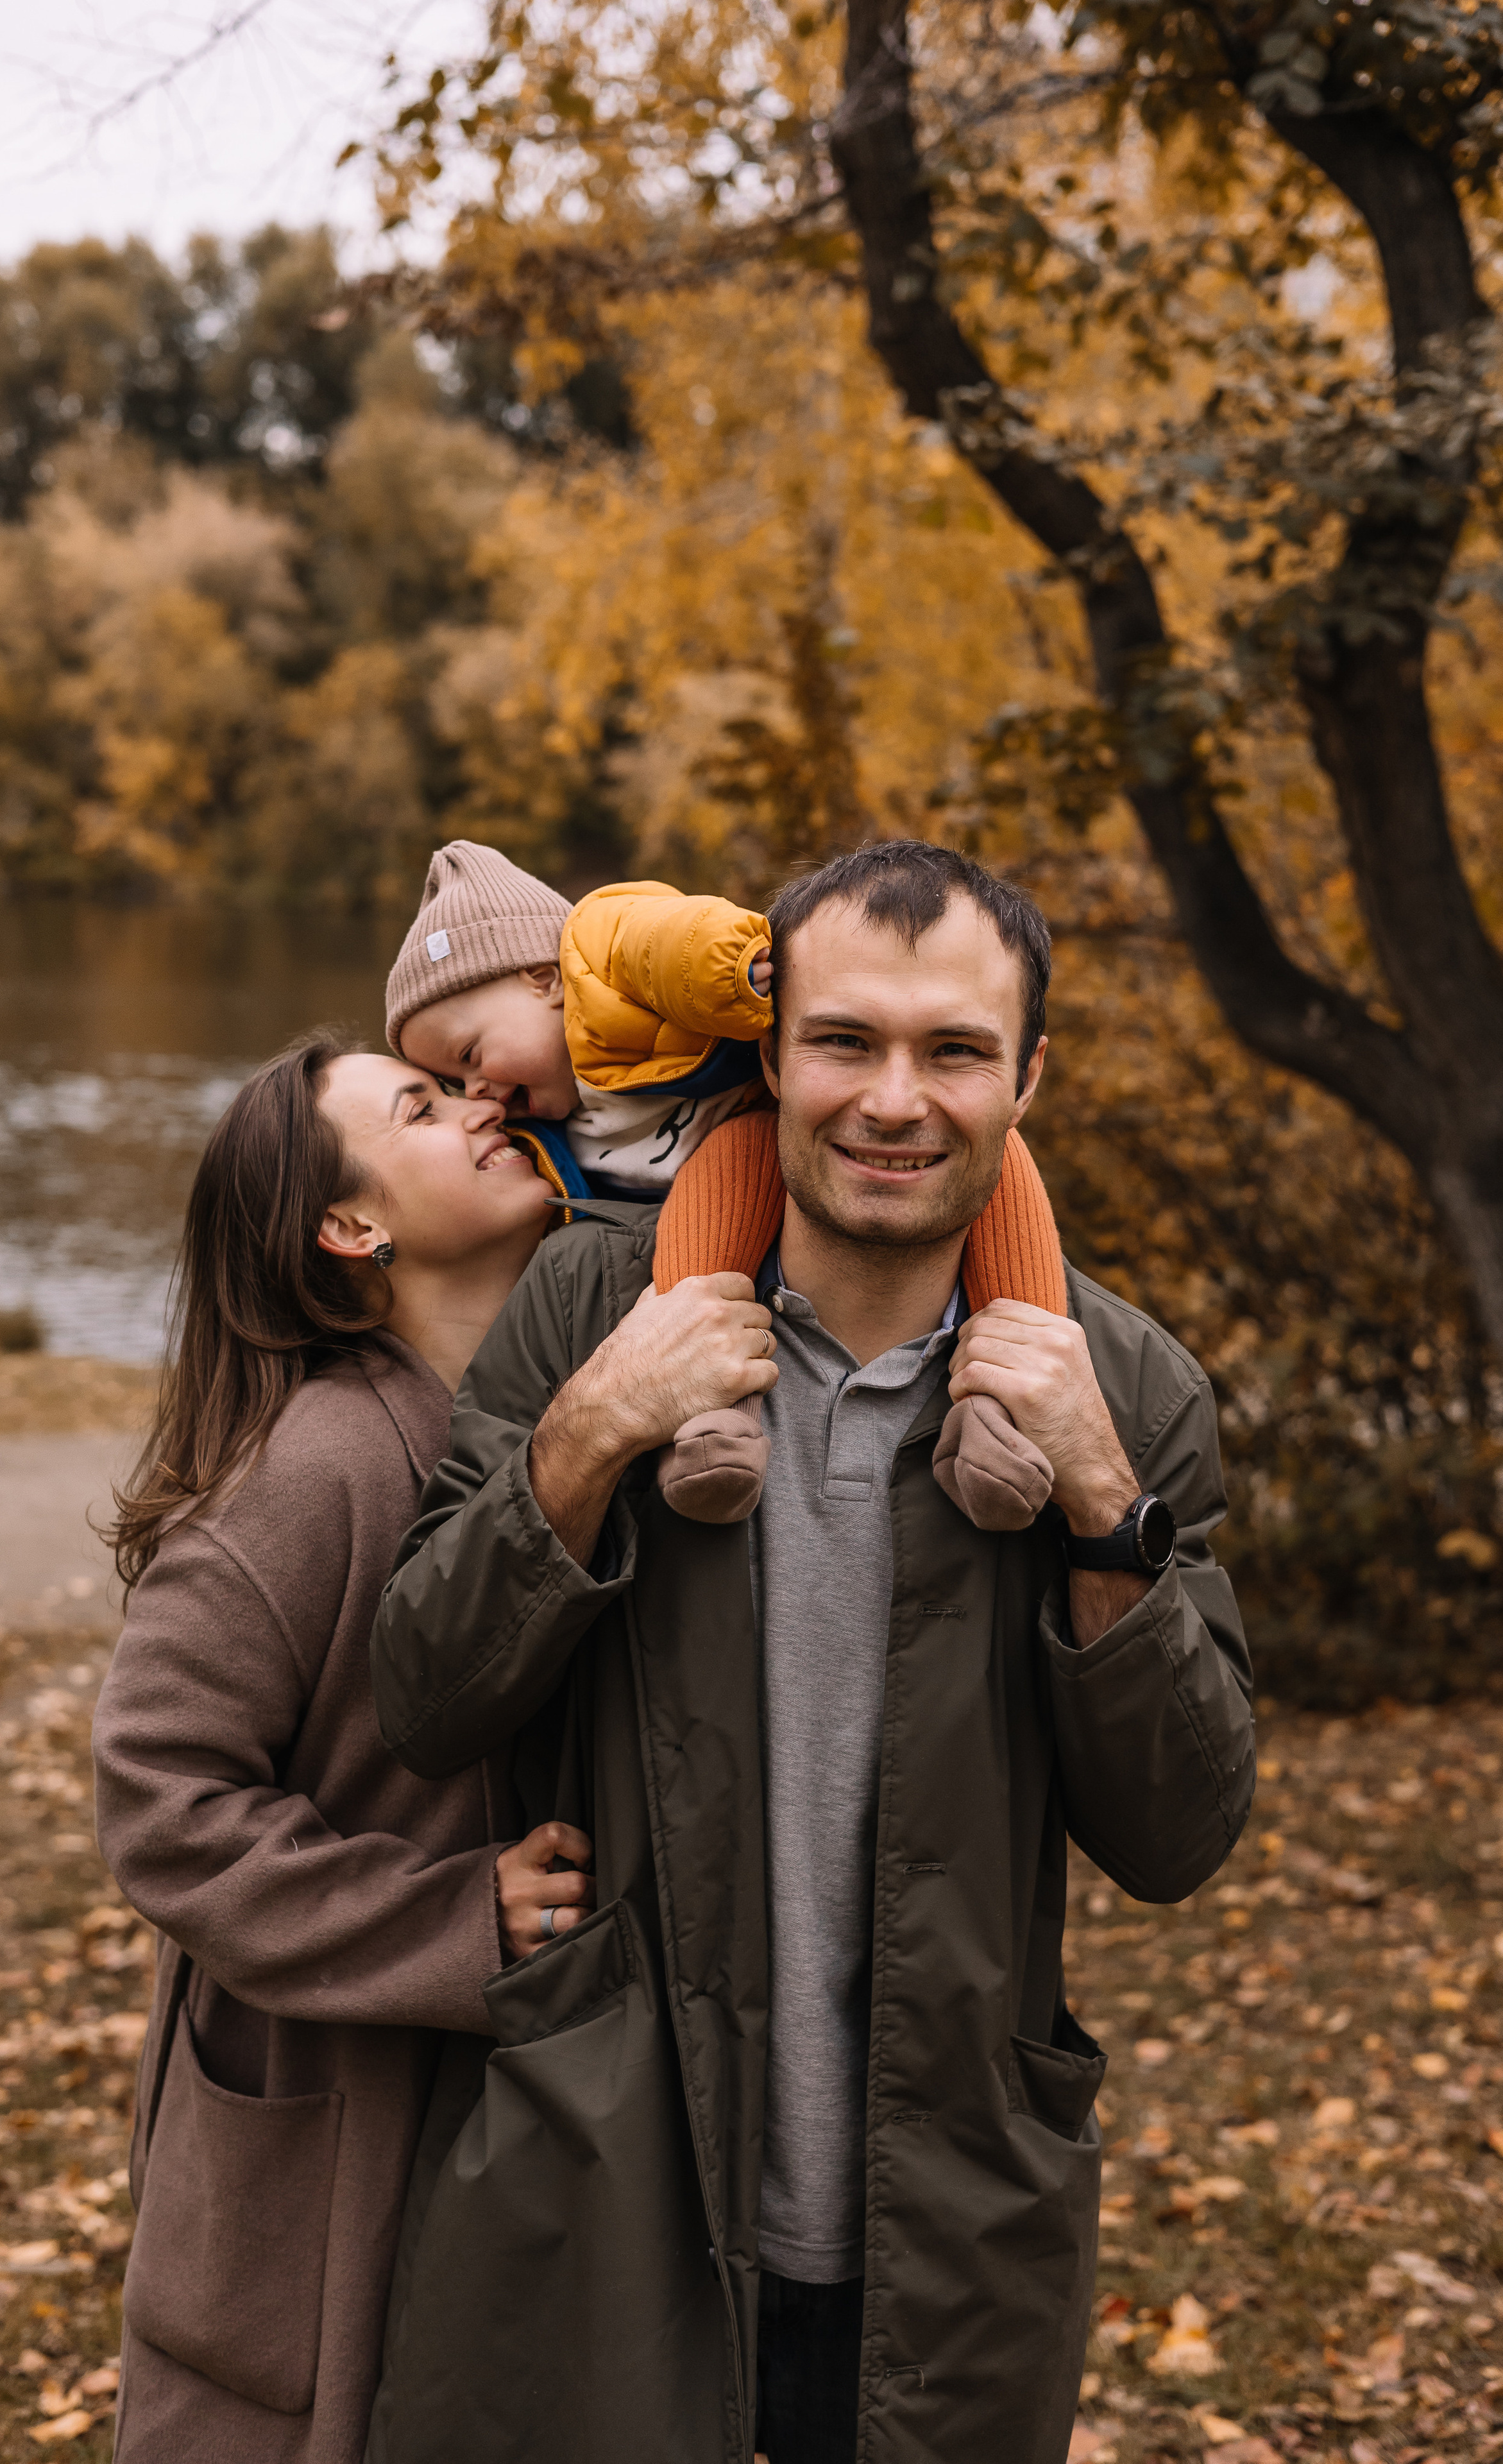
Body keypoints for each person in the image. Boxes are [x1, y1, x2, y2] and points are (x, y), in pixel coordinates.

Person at [365, 843, 1255, 2464]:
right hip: (618, 2172)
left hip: (951, 2218)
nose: (892, 1100)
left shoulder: (1118, 1381)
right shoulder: (590, 1304)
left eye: (953, 1049)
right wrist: (589, 1432)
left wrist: (1097, 1497)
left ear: (1024, 1073)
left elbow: (1177, 1833)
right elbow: (424, 1696)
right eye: (843, 1040)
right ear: (766, 1051)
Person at [93, 1031, 599, 2464]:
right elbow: (159, 1798)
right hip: (332, 2112)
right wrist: (452, 1918)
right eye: (423, 1106)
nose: (484, 1107)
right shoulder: (313, 1469)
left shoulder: (570, 1410)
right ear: (351, 1227)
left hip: (536, 2103)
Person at [389, 838, 1059, 1529]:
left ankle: (1007, 1410)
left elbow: (667, 940)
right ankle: (716, 1424)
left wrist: (734, 971)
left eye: (470, 1056)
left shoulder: (595, 955)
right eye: (450, 1083)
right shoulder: (547, 1164)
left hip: (747, 1135)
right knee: (710, 1242)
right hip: (716, 1199)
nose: (479, 1094)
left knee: (1000, 1178)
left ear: (541, 979)